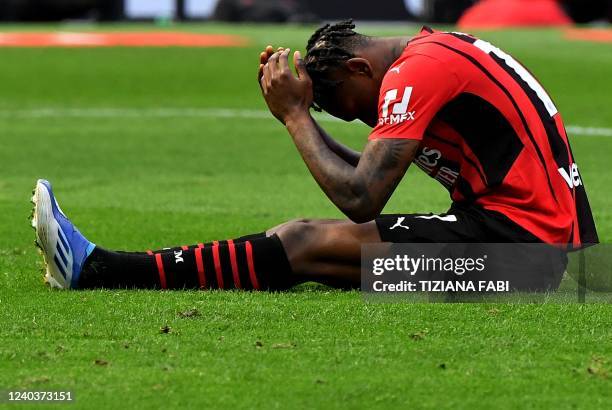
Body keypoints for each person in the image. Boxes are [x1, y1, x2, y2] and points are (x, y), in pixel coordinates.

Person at [32, 20, 597, 291]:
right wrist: (296, 115)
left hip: (522, 256)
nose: (359, 118)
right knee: (313, 251)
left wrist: (296, 118)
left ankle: (99, 269)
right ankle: (97, 267)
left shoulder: (415, 74)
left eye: (347, 106)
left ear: (359, 68)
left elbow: (360, 195)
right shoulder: (430, 56)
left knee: (304, 242)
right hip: (528, 243)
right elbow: (365, 173)